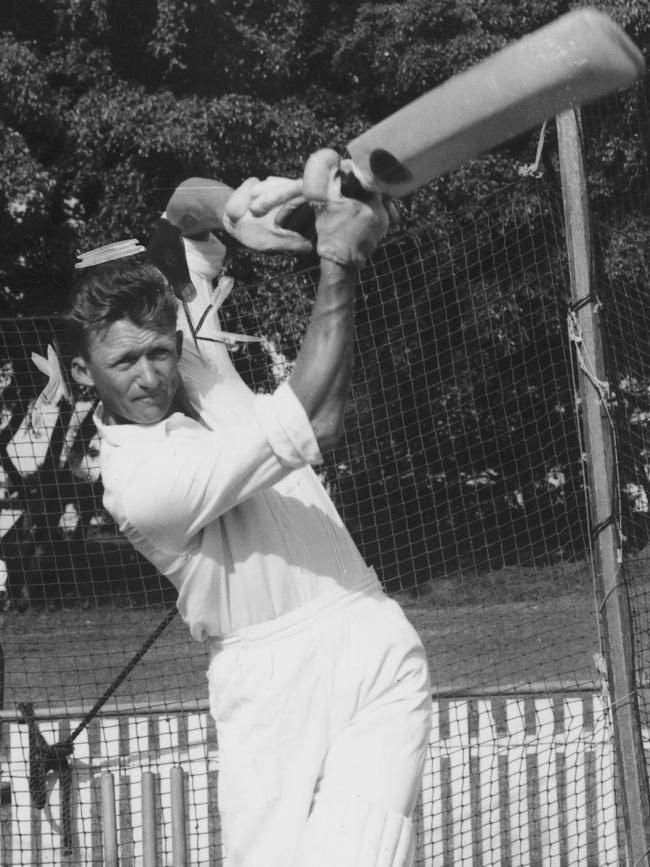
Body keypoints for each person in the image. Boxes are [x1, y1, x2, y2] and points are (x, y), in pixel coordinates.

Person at [62, 150, 431, 867]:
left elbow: (180, 209)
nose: (151, 374)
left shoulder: (186, 347)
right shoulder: (140, 482)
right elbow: (314, 418)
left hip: (374, 644)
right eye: (126, 361)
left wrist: (235, 205)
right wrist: (339, 261)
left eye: (161, 351)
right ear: (83, 372)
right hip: (268, 690)